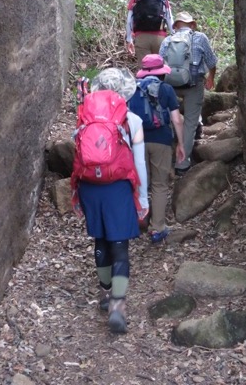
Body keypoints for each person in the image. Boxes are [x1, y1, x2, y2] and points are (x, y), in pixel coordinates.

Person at [72, 67, 149, 334]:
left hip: (90, 187)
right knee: (120, 247)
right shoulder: (132, 120)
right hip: (117, 187)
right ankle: (118, 303)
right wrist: (142, 197)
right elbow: (139, 163)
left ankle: (106, 293)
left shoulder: (85, 118)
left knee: (101, 240)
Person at [128, 54, 186, 243]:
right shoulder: (167, 89)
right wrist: (181, 144)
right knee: (159, 185)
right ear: (162, 73)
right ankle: (157, 228)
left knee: (140, 182)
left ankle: (139, 220)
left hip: (137, 141)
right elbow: (177, 119)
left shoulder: (132, 90)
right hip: (161, 141)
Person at [159, 11, 217, 176]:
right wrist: (211, 77)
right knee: (190, 124)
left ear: (176, 26)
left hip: (170, 85)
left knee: (168, 119)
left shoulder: (167, 40)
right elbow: (211, 61)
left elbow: (159, 63)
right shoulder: (200, 38)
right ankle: (182, 165)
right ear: (192, 25)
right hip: (193, 84)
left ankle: (165, 157)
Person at [125, 0, 174, 67]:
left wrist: (129, 39)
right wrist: (174, 35)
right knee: (160, 67)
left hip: (141, 37)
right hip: (160, 38)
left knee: (144, 68)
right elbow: (169, 18)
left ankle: (145, 81)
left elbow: (129, 21)